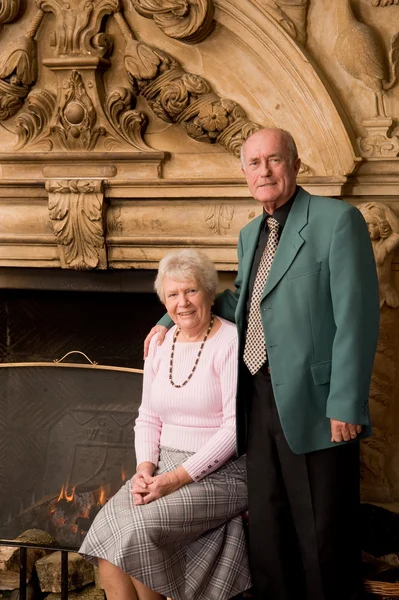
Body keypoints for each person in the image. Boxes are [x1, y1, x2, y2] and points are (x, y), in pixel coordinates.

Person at [145, 128, 380, 600]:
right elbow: (241, 302)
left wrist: (346, 403)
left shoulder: (338, 221)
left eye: (273, 160)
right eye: (254, 163)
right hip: (254, 397)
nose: (264, 171)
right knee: (270, 530)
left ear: (294, 164)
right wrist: (169, 319)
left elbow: (358, 316)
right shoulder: (252, 233)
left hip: (319, 405)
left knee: (322, 536)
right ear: (245, 174)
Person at [79, 248, 251, 600]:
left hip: (223, 472)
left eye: (191, 291)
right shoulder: (160, 343)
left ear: (208, 292)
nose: (183, 303)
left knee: (137, 531)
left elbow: (234, 431)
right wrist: (144, 469)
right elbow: (148, 416)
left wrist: (172, 480)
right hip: (162, 465)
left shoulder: (230, 342)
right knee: (107, 533)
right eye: (173, 294)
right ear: (163, 301)